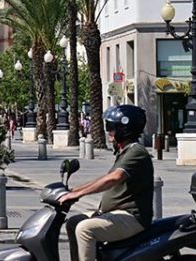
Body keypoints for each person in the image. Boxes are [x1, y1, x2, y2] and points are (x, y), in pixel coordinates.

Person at [59, 105, 152, 261]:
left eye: (112, 127)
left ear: (125, 129)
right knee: (74, 222)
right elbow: (105, 178)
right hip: (114, 213)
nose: (109, 132)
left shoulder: (137, 152)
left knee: (84, 229)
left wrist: (79, 194)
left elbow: (114, 178)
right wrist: (72, 191)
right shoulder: (125, 151)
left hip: (132, 217)